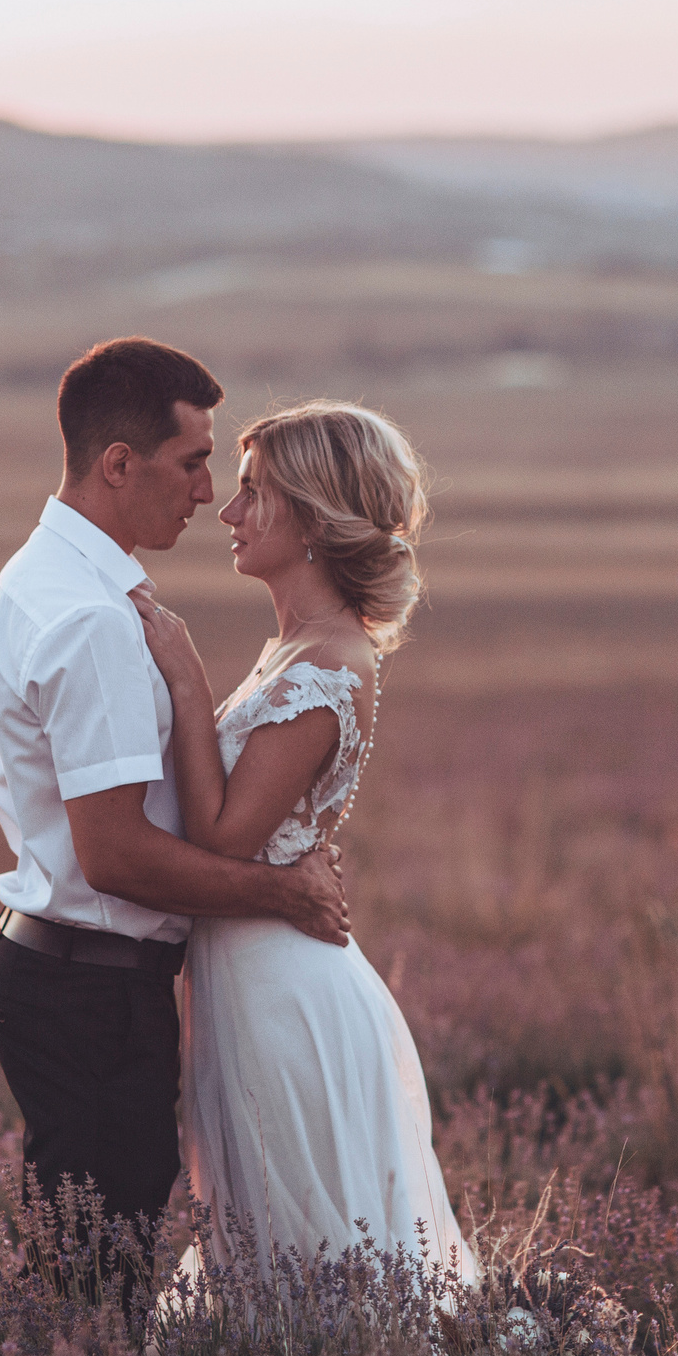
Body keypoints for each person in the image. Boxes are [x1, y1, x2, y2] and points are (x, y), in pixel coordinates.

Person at [0, 338, 348, 1275]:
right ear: (118, 464)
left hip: (69, 972)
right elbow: (115, 855)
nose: (204, 492)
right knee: (95, 1275)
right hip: (93, 989)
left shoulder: (47, 577)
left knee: (91, 1256)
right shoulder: (93, 618)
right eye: (191, 463)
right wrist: (284, 894)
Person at [130, 400, 478, 1288]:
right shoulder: (294, 649)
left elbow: (220, 834)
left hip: (284, 991)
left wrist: (184, 674)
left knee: (312, 1259)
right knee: (267, 1250)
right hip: (245, 973)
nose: (229, 511)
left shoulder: (326, 667)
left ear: (317, 517)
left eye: (254, 493)